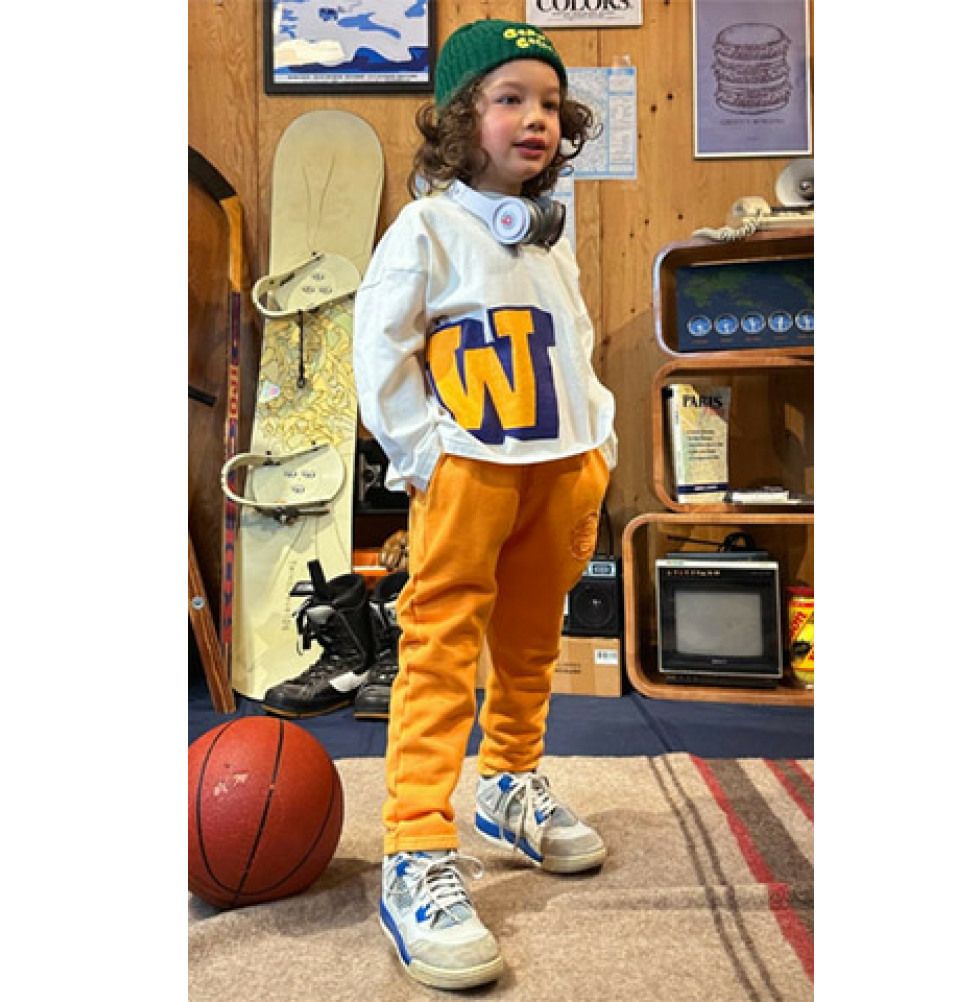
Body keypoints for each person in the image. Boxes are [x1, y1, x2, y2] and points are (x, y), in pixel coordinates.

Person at [353, 18, 617, 991]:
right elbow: (380, 347)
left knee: (533, 640)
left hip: (560, 468)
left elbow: (575, 340)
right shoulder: (426, 229)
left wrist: (599, 442)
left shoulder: (549, 239)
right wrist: (424, 454)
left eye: (548, 103)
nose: (535, 118)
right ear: (463, 119)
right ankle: (416, 844)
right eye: (510, 99)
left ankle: (508, 783)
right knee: (440, 646)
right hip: (468, 469)